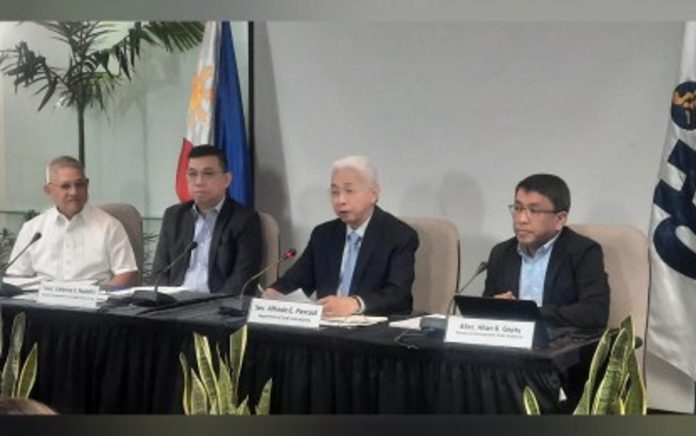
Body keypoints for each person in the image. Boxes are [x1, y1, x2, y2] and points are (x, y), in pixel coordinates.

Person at [264, 155, 419, 317]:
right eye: (335, 192)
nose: (340, 200)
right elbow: (297, 281)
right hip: (326, 329)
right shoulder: (323, 235)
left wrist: (355, 304)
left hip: (371, 330)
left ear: (373, 194)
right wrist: (274, 293)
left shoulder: (398, 236)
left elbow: (399, 295)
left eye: (349, 191)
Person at [483, 174, 610, 329]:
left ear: (560, 219)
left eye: (534, 211)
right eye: (518, 208)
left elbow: (595, 313)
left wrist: (530, 313)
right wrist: (495, 307)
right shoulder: (501, 253)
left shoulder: (583, 252)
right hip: (509, 346)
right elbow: (484, 311)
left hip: (559, 346)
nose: (521, 219)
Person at [7, 156, 137, 286]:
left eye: (79, 185)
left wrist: (102, 298)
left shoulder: (109, 226)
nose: (74, 192)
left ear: (87, 185)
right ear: (48, 190)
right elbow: (16, 276)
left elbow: (126, 273)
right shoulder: (33, 229)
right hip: (42, 303)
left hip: (95, 302)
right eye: (65, 186)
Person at [153, 145, 261, 294]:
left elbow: (243, 280)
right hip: (173, 304)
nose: (199, 181)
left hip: (217, 306)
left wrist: (213, 306)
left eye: (208, 174)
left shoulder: (245, 219)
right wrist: (165, 299)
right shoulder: (174, 216)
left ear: (226, 179)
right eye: (192, 174)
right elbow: (159, 272)